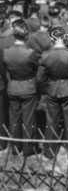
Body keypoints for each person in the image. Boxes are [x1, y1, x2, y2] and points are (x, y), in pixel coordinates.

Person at [37, 25, 68, 160]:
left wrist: (49, 85)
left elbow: (39, 78)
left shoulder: (46, 55)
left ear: (51, 38)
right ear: (64, 37)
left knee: (51, 121)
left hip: (52, 90)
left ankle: (49, 151)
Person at [3, 21, 39, 156]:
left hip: (13, 86)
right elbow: (37, 69)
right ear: (26, 34)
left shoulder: (6, 52)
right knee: (29, 119)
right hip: (28, 87)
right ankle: (28, 148)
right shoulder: (30, 53)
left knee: (14, 118)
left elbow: (5, 70)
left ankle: (15, 147)